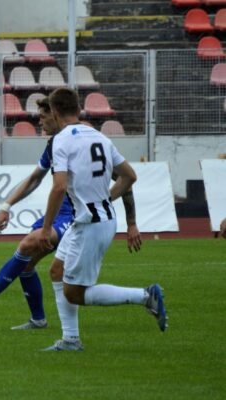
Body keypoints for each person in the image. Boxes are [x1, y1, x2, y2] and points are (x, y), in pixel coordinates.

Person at [0, 98, 142, 329]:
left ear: (56, 114)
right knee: (27, 265)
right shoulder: (56, 143)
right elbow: (35, 178)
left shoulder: (84, 140)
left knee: (29, 244)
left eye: (43, 117)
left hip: (76, 217)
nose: (40, 122)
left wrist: (131, 222)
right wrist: (6, 206)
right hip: (61, 214)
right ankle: (39, 319)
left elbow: (124, 179)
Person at [38, 88, 166, 351]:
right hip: (93, 220)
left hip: (90, 225)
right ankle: (70, 339)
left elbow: (59, 187)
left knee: (74, 292)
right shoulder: (99, 137)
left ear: (55, 112)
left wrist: (47, 227)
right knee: (56, 271)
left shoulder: (61, 141)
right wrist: (106, 199)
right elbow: (129, 176)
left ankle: (145, 296)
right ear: (78, 109)